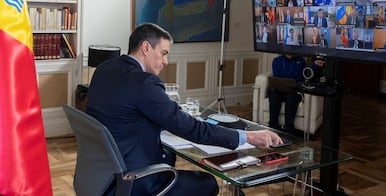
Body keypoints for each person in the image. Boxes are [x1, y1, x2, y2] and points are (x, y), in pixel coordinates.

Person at [86, 23, 283, 196]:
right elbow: (191, 128)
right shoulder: (144, 83)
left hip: (104, 176)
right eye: (163, 53)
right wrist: (248, 137)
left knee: (173, 158)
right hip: (137, 180)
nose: (165, 62)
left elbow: (125, 112)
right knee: (207, 183)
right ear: (146, 47)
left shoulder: (105, 68)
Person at [268, 55, 307, 134]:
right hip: (280, 89)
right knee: (274, 95)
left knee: (292, 98)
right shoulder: (277, 60)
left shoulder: (301, 61)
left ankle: (288, 128)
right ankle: (273, 125)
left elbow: (302, 78)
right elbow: (276, 77)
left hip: (294, 90)